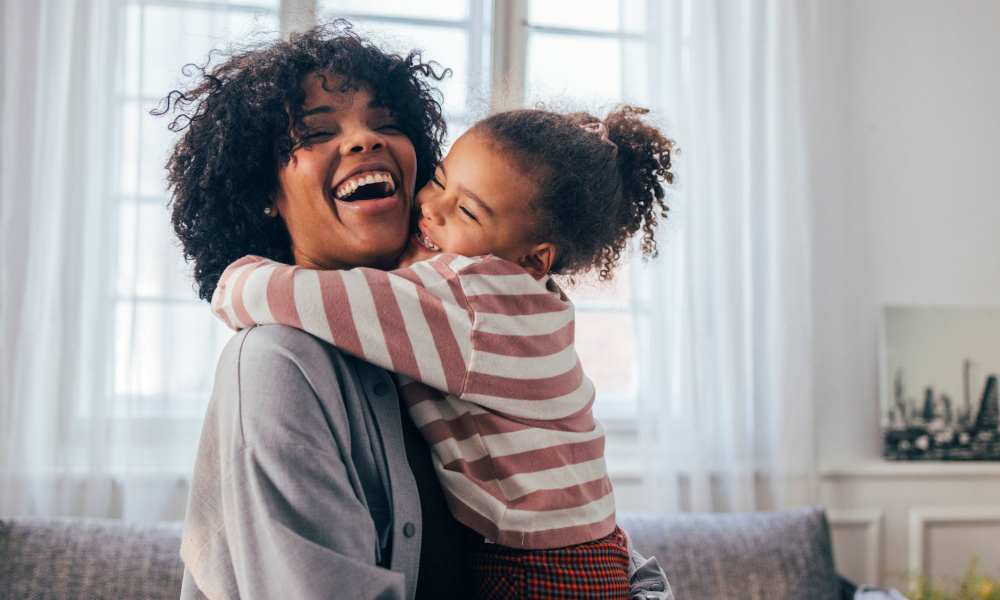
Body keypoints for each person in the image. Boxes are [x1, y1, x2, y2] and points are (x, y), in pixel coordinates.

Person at [211, 105, 675, 599]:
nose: (431, 208)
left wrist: (234, 278)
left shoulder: (472, 300)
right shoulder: (523, 301)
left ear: (532, 258)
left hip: (538, 574)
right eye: (438, 180)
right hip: (588, 556)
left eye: (467, 212)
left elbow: (289, 296)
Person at [158, 24, 473, 599]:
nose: (365, 141)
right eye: (317, 131)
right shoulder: (276, 363)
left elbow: (586, 532)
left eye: (387, 124)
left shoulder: (452, 334)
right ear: (262, 194)